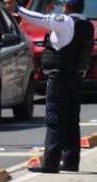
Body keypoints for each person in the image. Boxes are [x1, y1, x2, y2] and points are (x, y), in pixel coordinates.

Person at [18, 0, 94, 173]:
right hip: (76, 78)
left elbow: (41, 19)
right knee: (71, 120)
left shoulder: (66, 22)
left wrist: (18, 9)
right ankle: (70, 161)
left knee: (54, 118)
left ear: (67, 7)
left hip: (60, 78)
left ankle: (50, 162)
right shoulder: (86, 25)